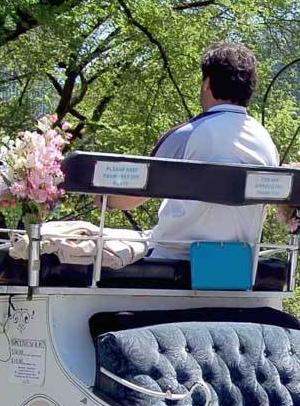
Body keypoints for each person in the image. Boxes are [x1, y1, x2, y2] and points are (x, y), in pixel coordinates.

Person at [103, 42, 278, 259]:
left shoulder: (188, 134)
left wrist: (105, 199)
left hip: (174, 256)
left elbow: (134, 196)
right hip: (240, 262)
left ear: (207, 84)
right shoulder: (266, 141)